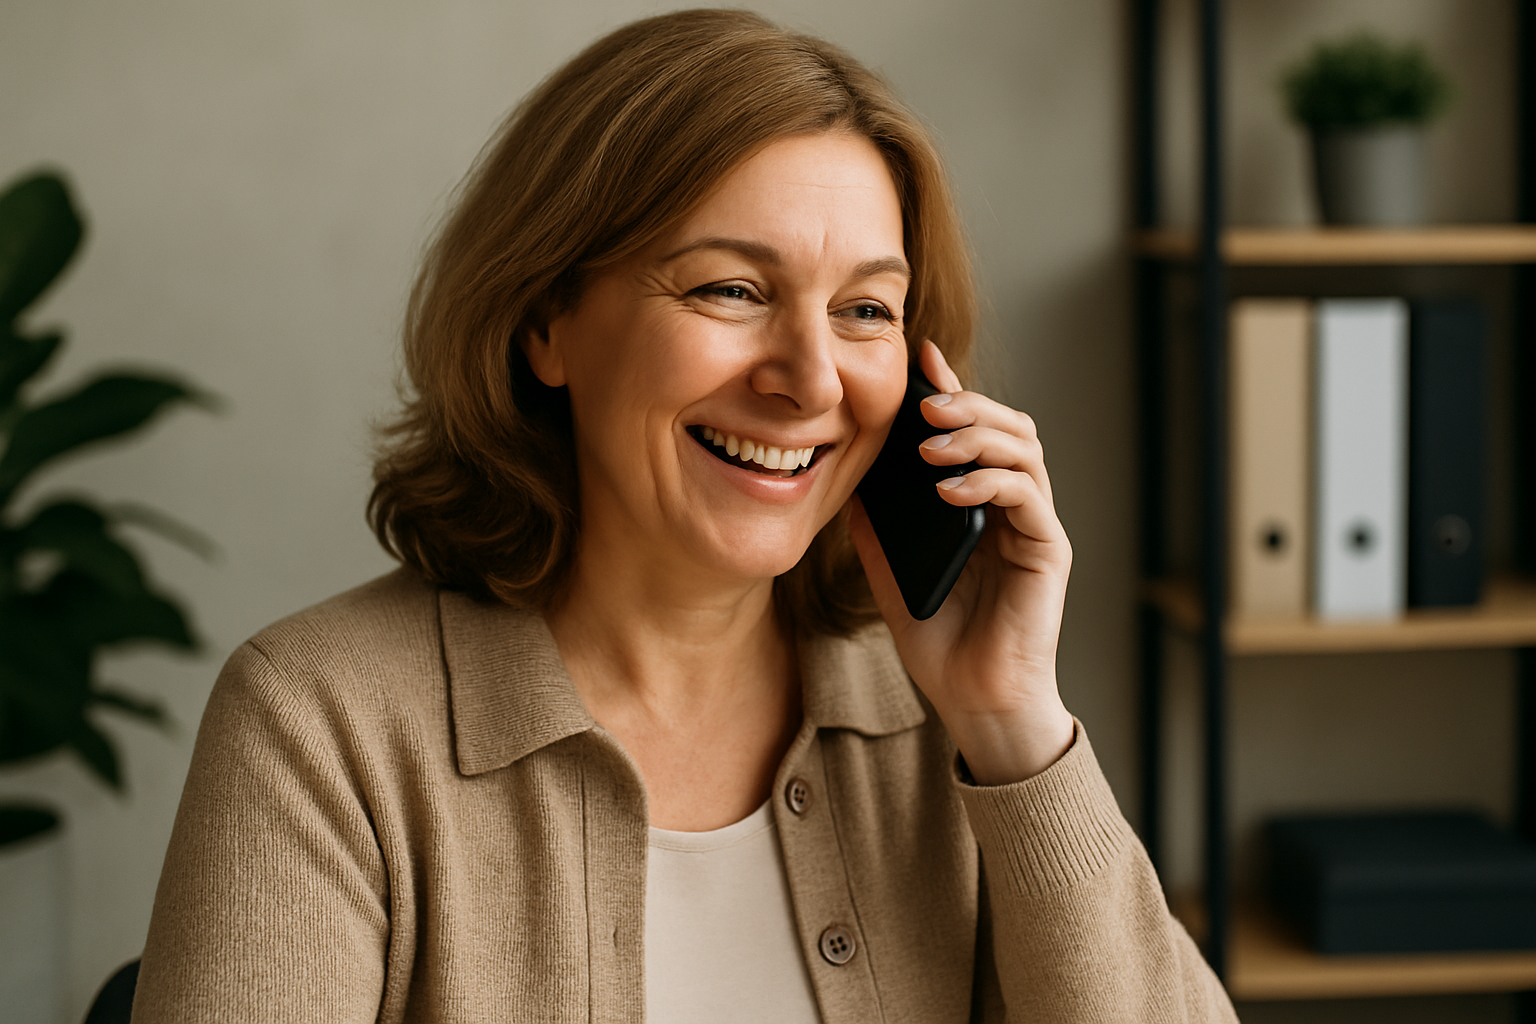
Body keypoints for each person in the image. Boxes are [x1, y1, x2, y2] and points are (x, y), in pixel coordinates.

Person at [132, 9, 1238, 1023]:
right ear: (545, 321)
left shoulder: (946, 723)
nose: (811, 380)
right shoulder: (319, 726)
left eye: (865, 310)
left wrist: (1012, 728)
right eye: (730, 290)